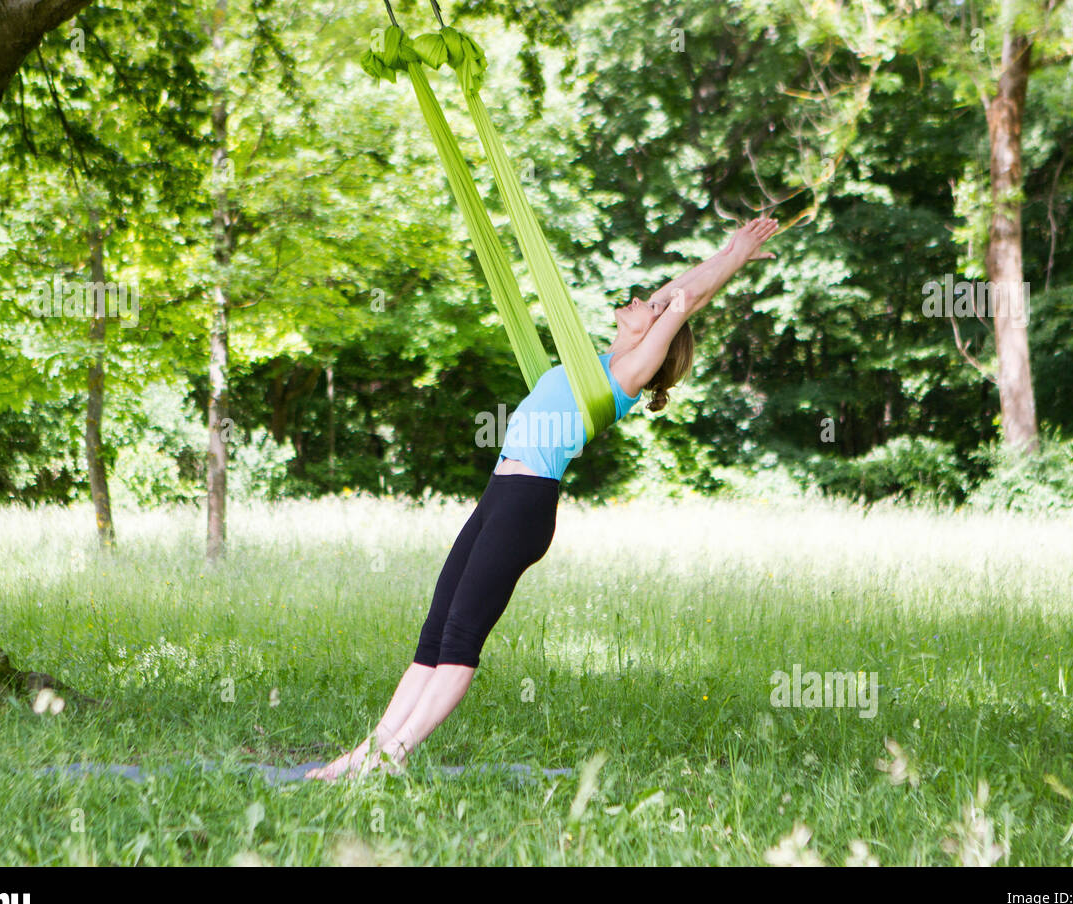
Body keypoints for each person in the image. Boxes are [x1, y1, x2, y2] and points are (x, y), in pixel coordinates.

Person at [308, 215, 780, 780]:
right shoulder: (600, 363)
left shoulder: (629, 373)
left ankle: (395, 757)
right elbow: (678, 291)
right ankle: (365, 754)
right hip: (498, 497)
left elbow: (685, 298)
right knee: (434, 633)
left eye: (651, 306)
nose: (641, 300)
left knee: (461, 638)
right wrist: (727, 250)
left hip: (524, 507)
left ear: (659, 332)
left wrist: (733, 255)